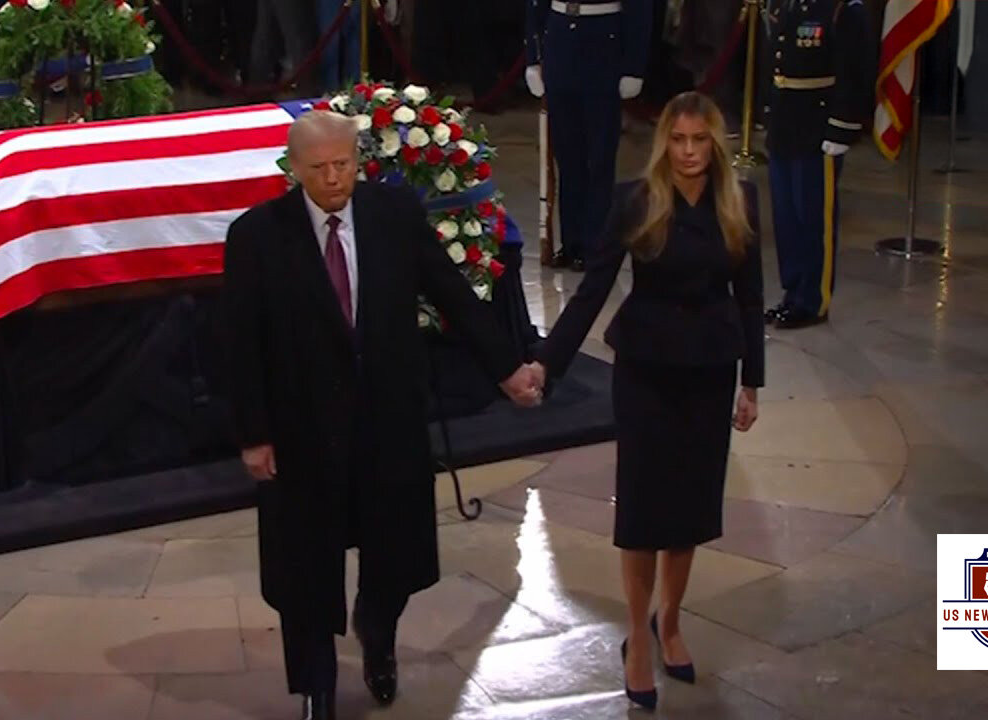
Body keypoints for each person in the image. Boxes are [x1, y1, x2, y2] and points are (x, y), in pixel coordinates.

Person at [222, 110, 542, 720]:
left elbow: (450, 293)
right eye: (319, 169)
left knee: (393, 550)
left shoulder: (393, 217)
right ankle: (316, 684)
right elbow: (241, 343)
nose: (334, 177)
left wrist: (507, 368)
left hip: (387, 420)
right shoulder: (258, 236)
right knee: (306, 568)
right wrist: (253, 435)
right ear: (295, 170)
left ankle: (379, 635)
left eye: (343, 163)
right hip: (302, 429)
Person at [528, 91, 763, 710]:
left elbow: (749, 298)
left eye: (700, 141)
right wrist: (546, 363)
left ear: (715, 144)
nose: (688, 153)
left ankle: (671, 620)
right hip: (647, 371)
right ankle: (636, 635)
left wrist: (752, 382)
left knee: (688, 509)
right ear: (665, 142)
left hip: (711, 370)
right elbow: (591, 291)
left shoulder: (740, 202)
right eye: (678, 141)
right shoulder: (635, 200)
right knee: (642, 511)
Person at [764, 0, 871, 329]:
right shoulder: (787, 4)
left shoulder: (842, 8)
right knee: (786, 217)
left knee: (814, 217)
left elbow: (856, 70)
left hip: (816, 125)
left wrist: (842, 126)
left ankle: (813, 300)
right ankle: (792, 291)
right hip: (785, 123)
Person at [525, 0, 653, 271]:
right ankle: (571, 242)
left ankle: (596, 243)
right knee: (567, 155)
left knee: (600, 157)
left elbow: (640, 7)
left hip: (603, 41)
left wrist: (634, 65)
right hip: (559, 37)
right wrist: (533, 57)